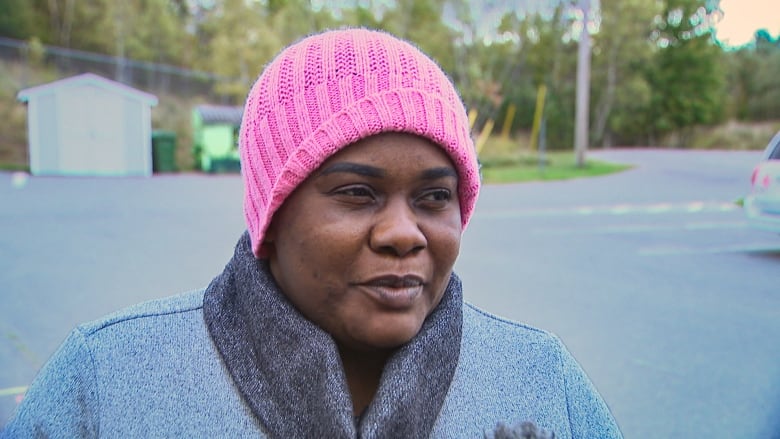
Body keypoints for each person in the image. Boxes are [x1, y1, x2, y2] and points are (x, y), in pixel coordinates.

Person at [2, 28, 621, 438]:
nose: (404, 233)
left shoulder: (538, 381)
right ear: (273, 216)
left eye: (435, 196)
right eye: (357, 192)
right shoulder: (108, 383)